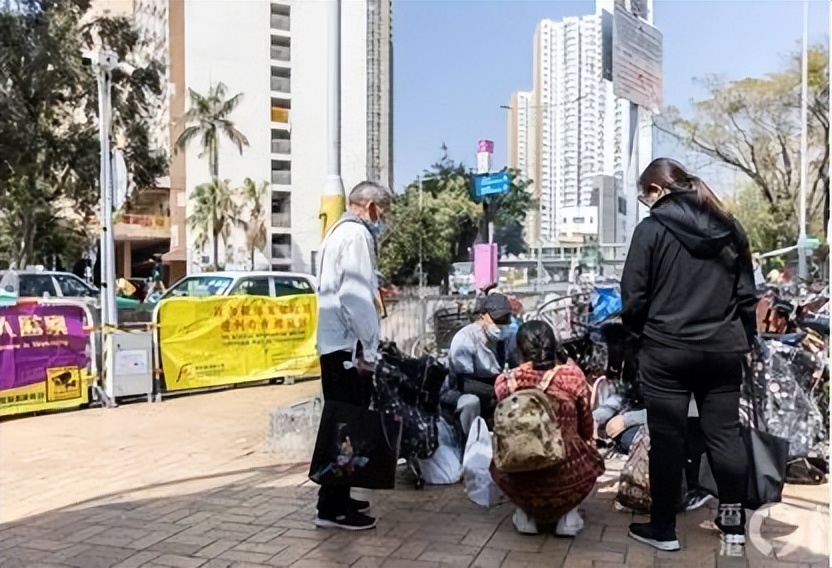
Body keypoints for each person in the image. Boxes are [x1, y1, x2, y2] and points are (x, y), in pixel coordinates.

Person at [621, 158, 757, 551]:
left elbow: (633, 296)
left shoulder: (650, 231)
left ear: (657, 191)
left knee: (668, 440)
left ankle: (663, 529)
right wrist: (744, 341)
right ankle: (732, 526)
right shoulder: (730, 228)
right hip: (723, 350)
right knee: (725, 437)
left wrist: (640, 334)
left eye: (645, 193)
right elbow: (747, 296)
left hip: (666, 352)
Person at [313, 180, 393, 531]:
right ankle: (333, 508)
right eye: (384, 212)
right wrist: (371, 350)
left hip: (334, 346)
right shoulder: (357, 236)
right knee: (347, 428)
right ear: (372, 206)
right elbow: (357, 297)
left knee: (341, 426)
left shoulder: (336, 233)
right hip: (348, 349)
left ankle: (337, 498)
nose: (383, 220)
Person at [490, 321, 604, 537]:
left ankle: (525, 515)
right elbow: (586, 428)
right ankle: (568, 516)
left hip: (519, 475)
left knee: (503, 455)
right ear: (553, 345)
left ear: (519, 349)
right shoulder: (572, 377)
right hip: (566, 476)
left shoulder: (505, 382)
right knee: (590, 455)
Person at [445, 293, 515, 429]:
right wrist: (498, 391)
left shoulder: (508, 337)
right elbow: (464, 383)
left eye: (505, 320)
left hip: (494, 386)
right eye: (497, 320)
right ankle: (467, 444)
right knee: (471, 402)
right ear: (483, 316)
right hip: (461, 390)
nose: (501, 325)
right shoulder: (465, 339)